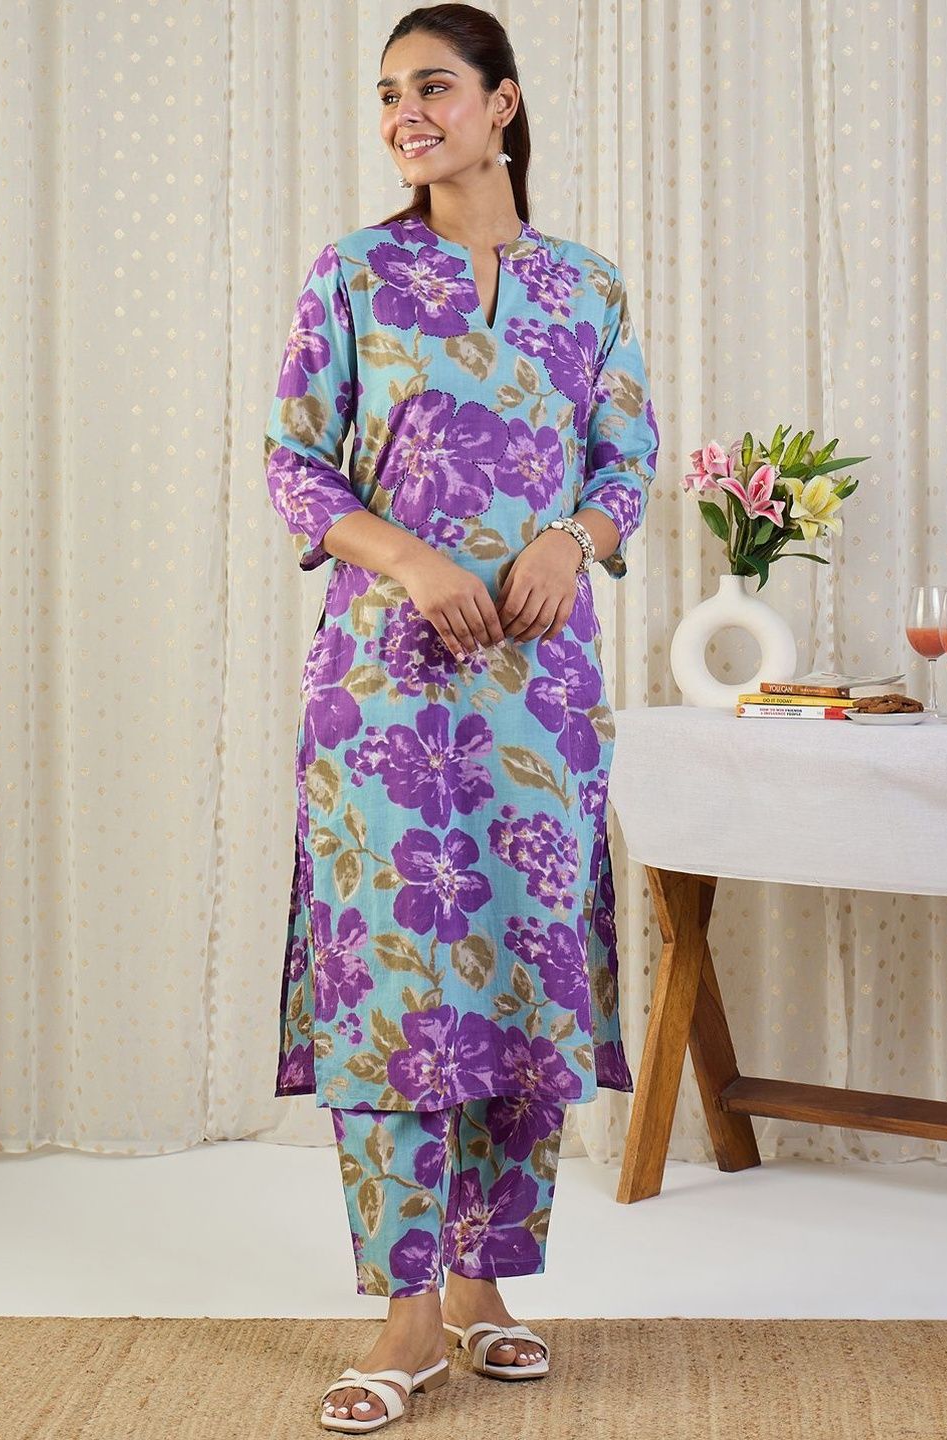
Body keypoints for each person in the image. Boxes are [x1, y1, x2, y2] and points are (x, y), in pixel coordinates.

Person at [263, 4, 660, 1430]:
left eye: (433, 86)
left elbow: (627, 461)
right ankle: (406, 1310)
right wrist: (416, 563)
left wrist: (571, 539)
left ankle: (487, 1285)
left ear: (503, 103)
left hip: (538, 699)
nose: (405, 115)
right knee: (395, 991)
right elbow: (297, 462)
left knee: (513, 975)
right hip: (384, 692)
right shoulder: (354, 275)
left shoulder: (588, 288)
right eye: (388, 95)